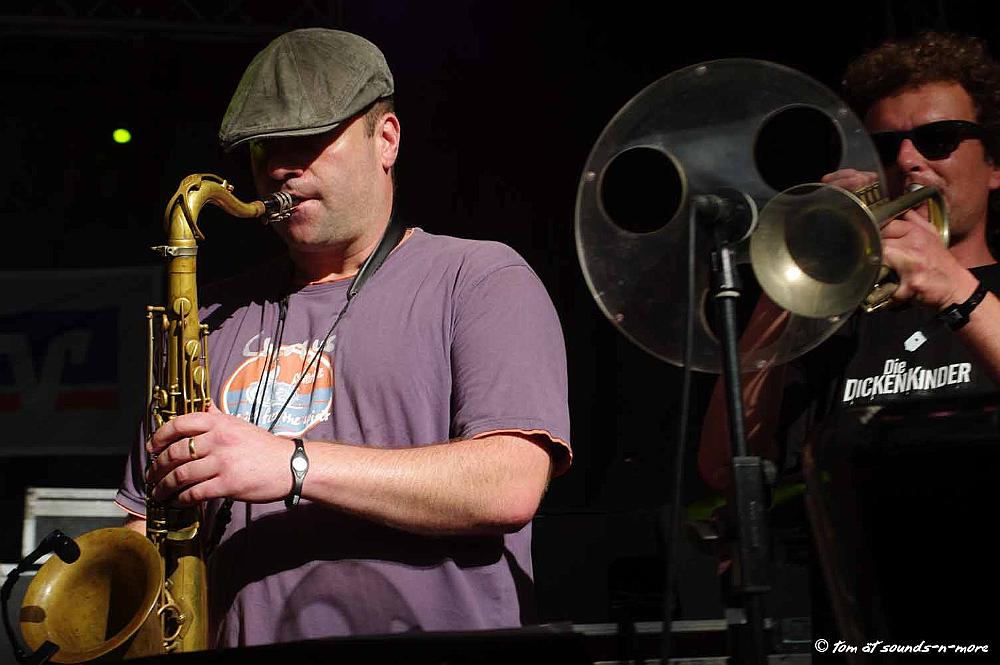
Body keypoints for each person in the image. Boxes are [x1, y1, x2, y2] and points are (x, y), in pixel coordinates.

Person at [115, 28, 571, 648]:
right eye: (264, 149)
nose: (281, 168)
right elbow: (145, 527)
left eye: (308, 141)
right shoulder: (207, 317)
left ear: (386, 140)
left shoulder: (480, 278)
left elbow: (509, 484)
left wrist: (291, 464)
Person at [698, 31, 1000, 649]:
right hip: (860, 635)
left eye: (938, 139)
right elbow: (723, 464)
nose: (908, 160)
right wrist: (793, 274)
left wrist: (956, 289)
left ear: (994, 165)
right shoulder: (835, 316)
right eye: (887, 145)